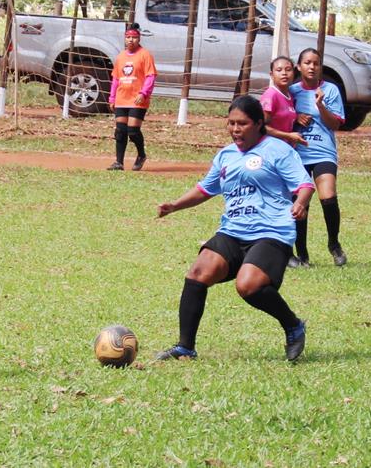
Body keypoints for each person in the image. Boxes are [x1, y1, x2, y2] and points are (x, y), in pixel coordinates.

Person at [155, 96, 315, 362]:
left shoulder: (278, 149)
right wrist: (174, 205)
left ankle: (293, 325)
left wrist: (300, 202)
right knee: (197, 273)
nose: (235, 129)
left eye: (242, 123)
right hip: (233, 230)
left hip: (271, 231)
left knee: (248, 285)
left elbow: (304, 184)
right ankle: (185, 347)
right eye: (231, 123)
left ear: (259, 124)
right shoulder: (226, 155)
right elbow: (205, 189)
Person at [289, 47, 347, 268]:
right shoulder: (292, 91)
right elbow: (280, 117)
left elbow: (335, 124)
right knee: (300, 204)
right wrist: (296, 117)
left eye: (316, 63)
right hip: (297, 155)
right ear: (299, 66)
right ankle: (302, 254)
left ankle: (334, 244)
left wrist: (320, 106)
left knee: (328, 196)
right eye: (307, 63)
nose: (312, 67)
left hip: (323, 151)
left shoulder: (330, 90)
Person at [107, 23, 157, 171]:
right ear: (124, 38)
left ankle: (141, 155)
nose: (131, 40)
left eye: (134, 37)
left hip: (137, 99)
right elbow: (116, 79)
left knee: (133, 131)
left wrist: (144, 93)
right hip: (122, 99)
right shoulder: (121, 56)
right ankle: (118, 162)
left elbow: (151, 76)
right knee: (120, 130)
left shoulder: (145, 55)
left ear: (139, 38)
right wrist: (112, 97)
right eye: (128, 37)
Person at [260, 55, 307, 148]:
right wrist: (289, 136)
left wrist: (297, 117)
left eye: (288, 69)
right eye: (279, 70)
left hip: (284, 148)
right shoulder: (271, 95)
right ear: (272, 75)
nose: (284, 73)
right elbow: (261, 127)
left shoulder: (290, 95)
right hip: (269, 148)